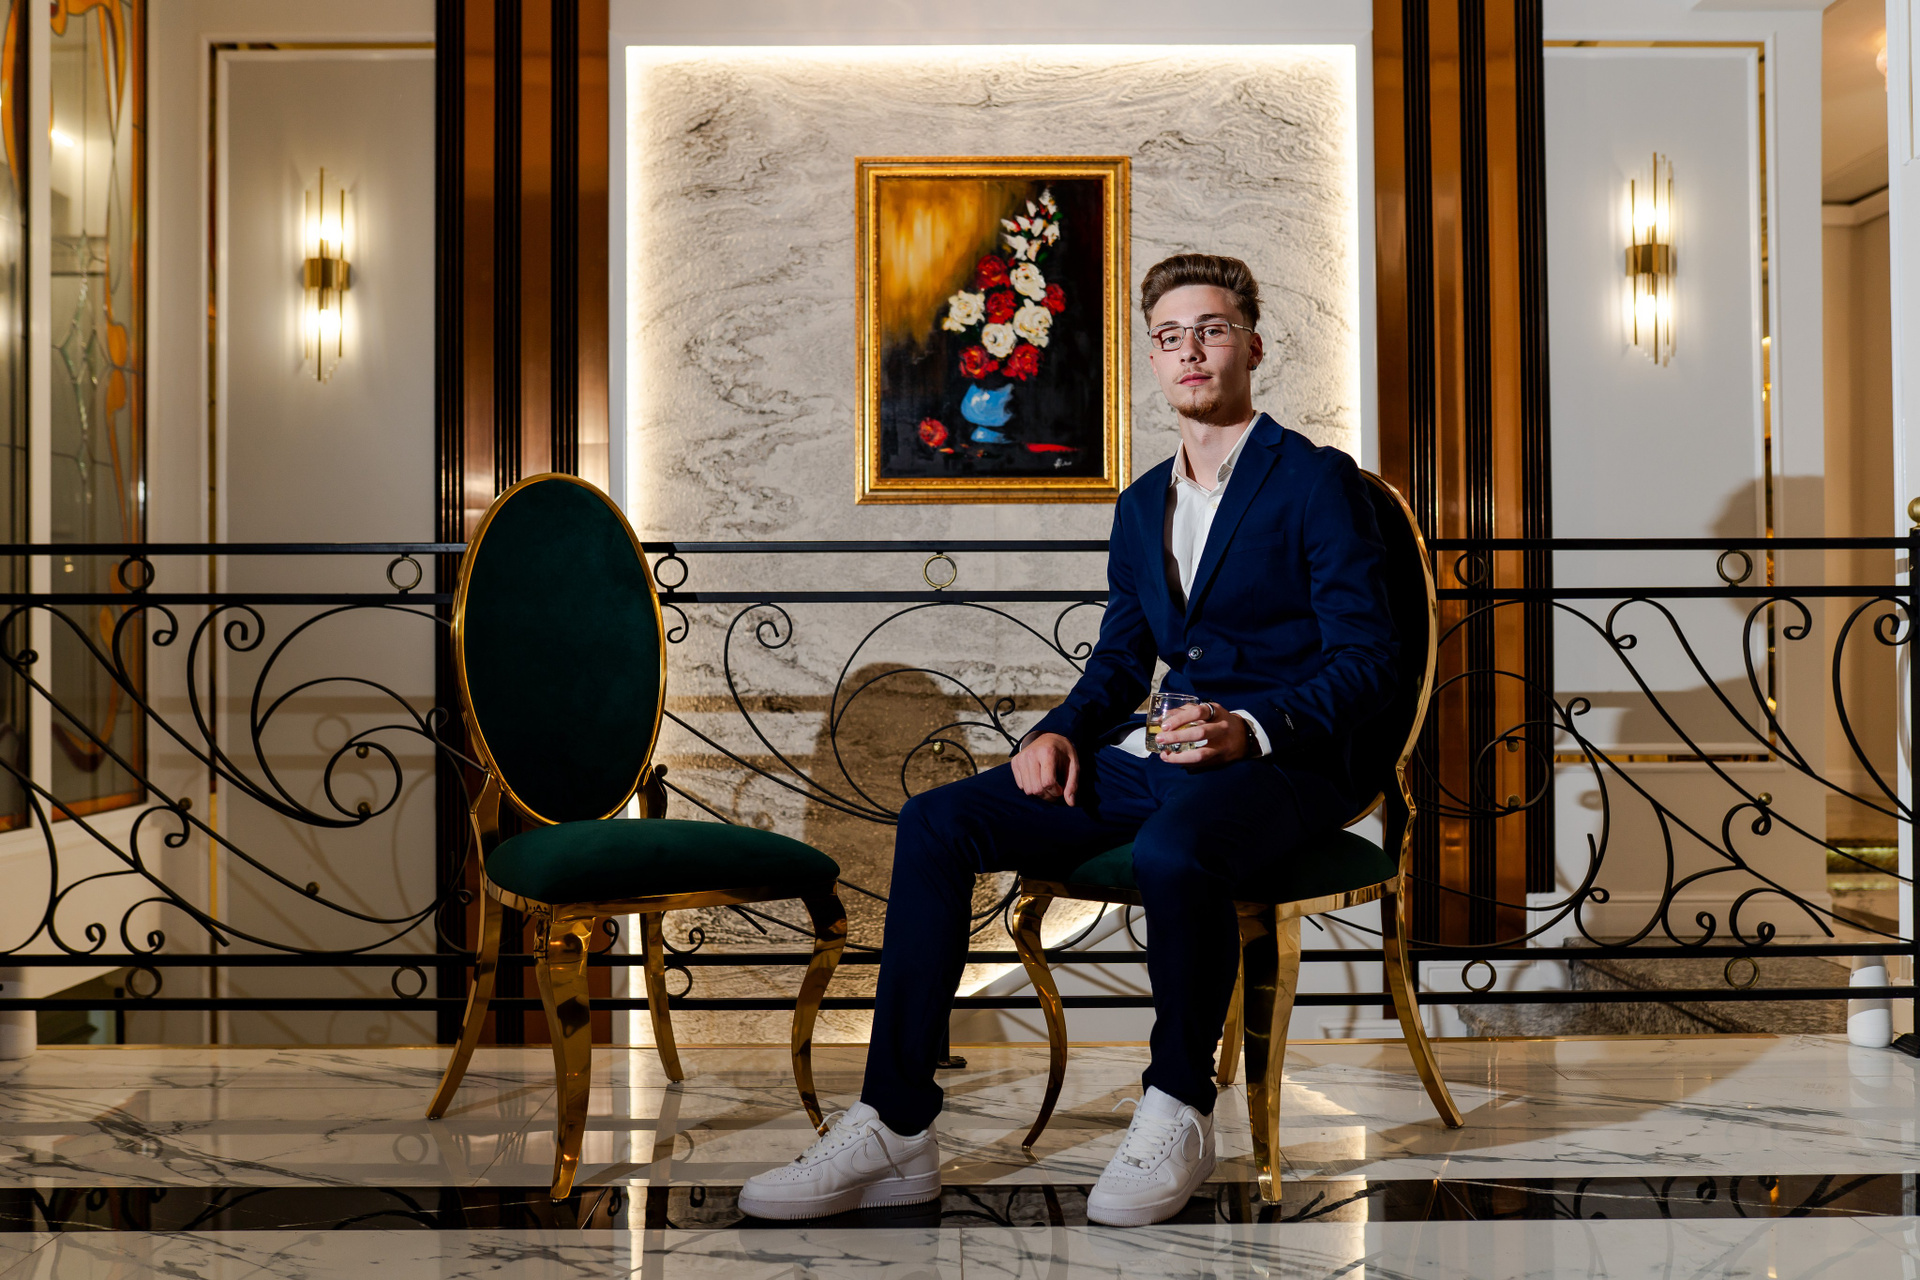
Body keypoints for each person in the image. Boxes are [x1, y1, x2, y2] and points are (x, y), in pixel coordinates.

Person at [739, 253, 1399, 1227]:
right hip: (1158, 757)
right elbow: (1122, 662)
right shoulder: (1141, 504)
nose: (1191, 350)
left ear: (1253, 346)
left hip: (1281, 764)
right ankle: (896, 1124)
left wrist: (1252, 727)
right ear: (1154, 358)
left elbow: (1370, 658)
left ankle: (1177, 1106)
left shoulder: (1316, 481)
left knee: (1176, 849)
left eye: (1212, 329)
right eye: (1170, 336)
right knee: (938, 822)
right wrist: (1057, 731)